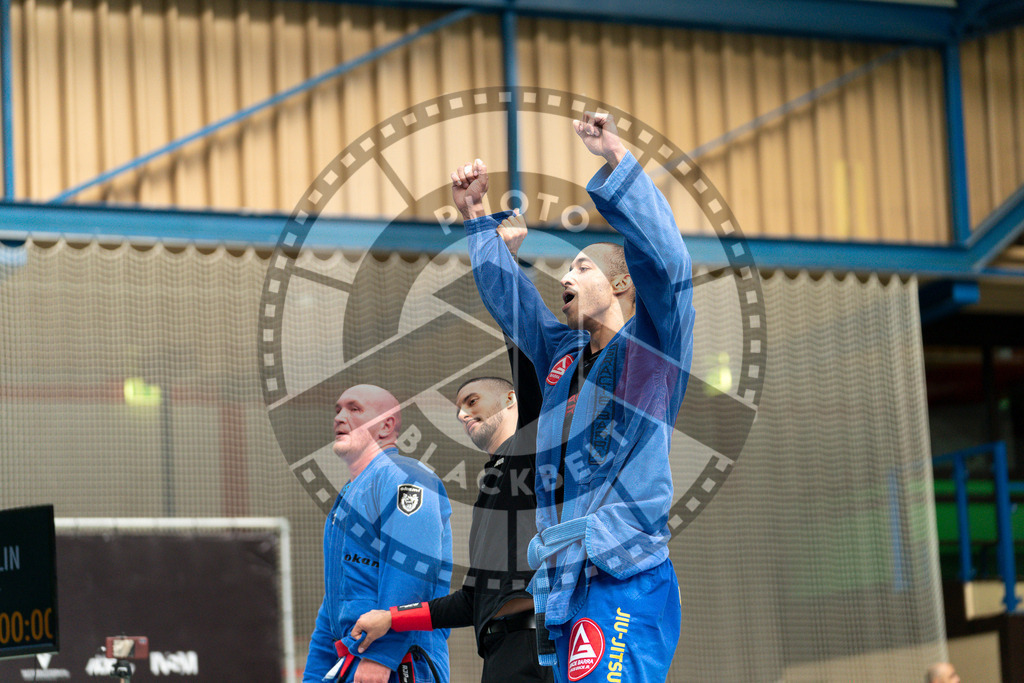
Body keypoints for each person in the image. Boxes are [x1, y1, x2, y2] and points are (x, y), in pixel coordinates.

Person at [453, 110, 695, 682]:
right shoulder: (564, 358)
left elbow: (670, 267)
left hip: (626, 574)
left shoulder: (652, 350)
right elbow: (514, 305)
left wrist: (617, 163)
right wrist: (478, 223)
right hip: (566, 585)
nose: (566, 274)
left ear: (620, 283)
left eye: (581, 266)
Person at [350, 342, 555, 683]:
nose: (461, 414)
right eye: (458, 408)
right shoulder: (492, 486)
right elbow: (469, 601)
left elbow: (530, 366)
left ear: (510, 400)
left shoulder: (534, 449)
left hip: (537, 644)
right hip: (498, 652)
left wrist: (510, 310)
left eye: (472, 401)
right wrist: (391, 618)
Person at [303, 384, 453, 683]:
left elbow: (413, 569)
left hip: (398, 659)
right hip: (352, 659)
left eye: (354, 409)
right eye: (337, 410)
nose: (339, 417)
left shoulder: (405, 476)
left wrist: (380, 655)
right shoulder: (350, 494)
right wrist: (316, 672)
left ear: (386, 426)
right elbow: (338, 597)